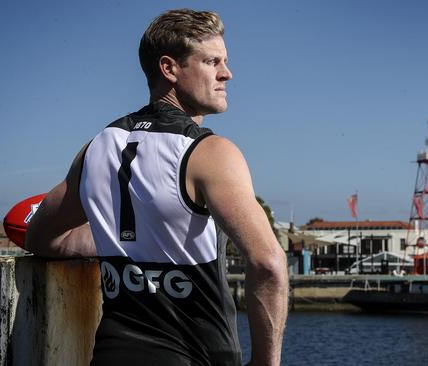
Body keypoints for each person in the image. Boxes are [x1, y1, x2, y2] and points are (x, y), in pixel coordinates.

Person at [25, 9, 288, 366]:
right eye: (212, 62)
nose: (227, 73)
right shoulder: (209, 153)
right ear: (169, 68)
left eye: (225, 61)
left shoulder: (98, 148)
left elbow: (40, 238)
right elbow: (269, 264)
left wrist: (111, 241)